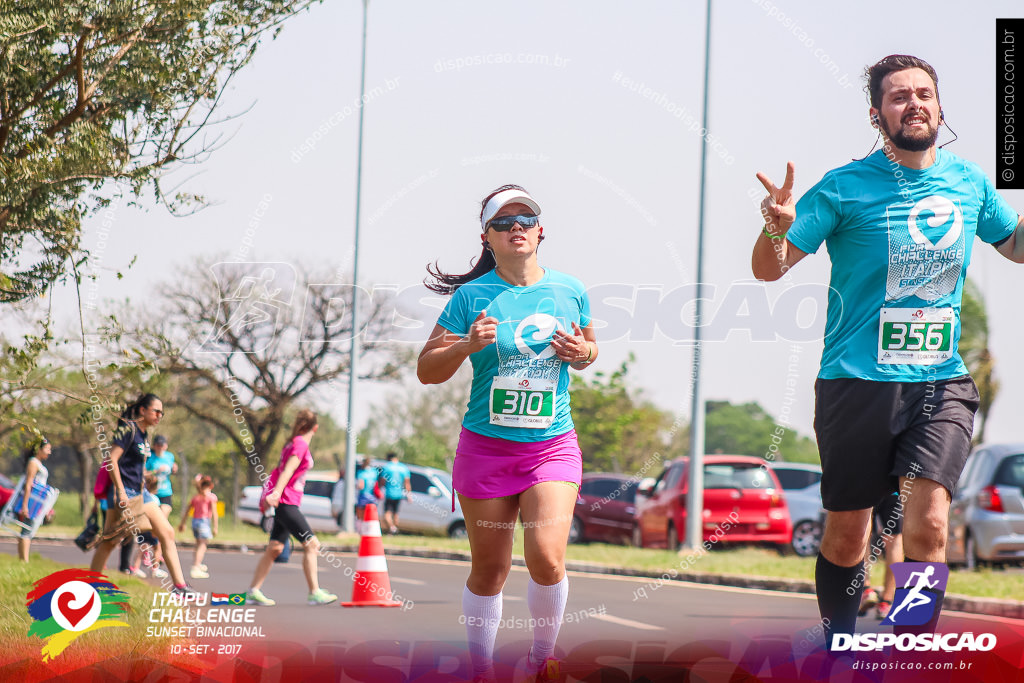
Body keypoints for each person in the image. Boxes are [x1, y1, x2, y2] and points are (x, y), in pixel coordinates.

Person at [751, 54, 1024, 646]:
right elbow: (769, 270)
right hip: (855, 381)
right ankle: (840, 645)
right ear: (877, 114)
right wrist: (775, 224)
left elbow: (1016, 246)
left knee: (928, 520)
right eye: (899, 96)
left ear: (941, 107)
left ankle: (911, 642)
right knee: (849, 533)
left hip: (939, 380)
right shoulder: (845, 186)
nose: (914, 104)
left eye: (924, 93)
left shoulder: (969, 181)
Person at [418, 185, 597, 682]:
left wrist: (581, 353)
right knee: (490, 571)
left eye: (526, 219)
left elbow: (591, 349)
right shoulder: (471, 298)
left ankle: (543, 660)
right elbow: (426, 370)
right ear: (487, 238)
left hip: (551, 446)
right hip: (486, 449)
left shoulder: (570, 290)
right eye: (503, 223)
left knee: (545, 557)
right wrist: (464, 346)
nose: (515, 227)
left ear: (542, 231)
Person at [89, 393, 195, 596]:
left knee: (166, 532)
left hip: (141, 492)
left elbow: (134, 467)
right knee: (110, 540)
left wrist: (150, 476)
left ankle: (179, 586)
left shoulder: (143, 434)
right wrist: (120, 491)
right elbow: (112, 460)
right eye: (156, 410)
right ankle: (91, 586)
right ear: (142, 410)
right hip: (124, 492)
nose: (159, 415)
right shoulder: (128, 430)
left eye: (162, 412)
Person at [246, 409, 338, 606]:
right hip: (287, 502)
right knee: (312, 544)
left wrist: (272, 493)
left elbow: (279, 470)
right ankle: (314, 592)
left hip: (286, 501)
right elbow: (287, 470)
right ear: (315, 427)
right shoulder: (300, 445)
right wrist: (277, 493)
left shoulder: (292, 443)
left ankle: (253, 591)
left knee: (275, 548)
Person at [858, 492, 904, 620]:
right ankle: (886, 602)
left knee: (863, 535)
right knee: (895, 541)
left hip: (868, 483)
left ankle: (866, 591)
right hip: (895, 488)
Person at [17, 438, 52, 562]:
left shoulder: (38, 463)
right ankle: (23, 562)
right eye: (47, 449)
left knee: (28, 530)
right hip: (31, 502)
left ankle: (23, 561)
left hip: (37, 502)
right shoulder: (33, 462)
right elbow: (28, 484)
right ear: (39, 449)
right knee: (26, 530)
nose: (49, 452)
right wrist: (25, 505)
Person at [178, 475, 218, 579]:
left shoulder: (195, 497)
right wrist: (215, 527)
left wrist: (183, 523)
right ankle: (195, 567)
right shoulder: (211, 497)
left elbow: (187, 511)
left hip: (195, 521)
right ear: (211, 486)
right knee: (203, 545)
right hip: (204, 522)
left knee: (198, 543)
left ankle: (197, 563)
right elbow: (214, 512)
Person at [145, 435, 178, 515]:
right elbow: (144, 473)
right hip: (152, 492)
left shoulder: (170, 456)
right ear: (154, 446)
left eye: (162, 445)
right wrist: (156, 471)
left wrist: (174, 469)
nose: (160, 447)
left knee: (164, 513)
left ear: (165, 445)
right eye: (158, 445)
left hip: (165, 492)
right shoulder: (150, 458)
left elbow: (173, 469)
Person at [379, 452, 410, 534]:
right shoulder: (403, 468)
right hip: (399, 494)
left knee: (387, 513)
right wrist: (409, 494)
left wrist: (378, 489)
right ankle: (394, 529)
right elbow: (407, 483)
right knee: (396, 513)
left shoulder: (387, 467)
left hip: (389, 493)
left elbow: (382, 481)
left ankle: (392, 528)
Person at [354, 458, 380, 525]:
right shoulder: (374, 472)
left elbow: (361, 486)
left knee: (360, 516)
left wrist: (354, 486)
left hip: (363, 496)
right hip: (372, 496)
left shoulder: (361, 473)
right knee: (370, 515)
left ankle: (360, 530)